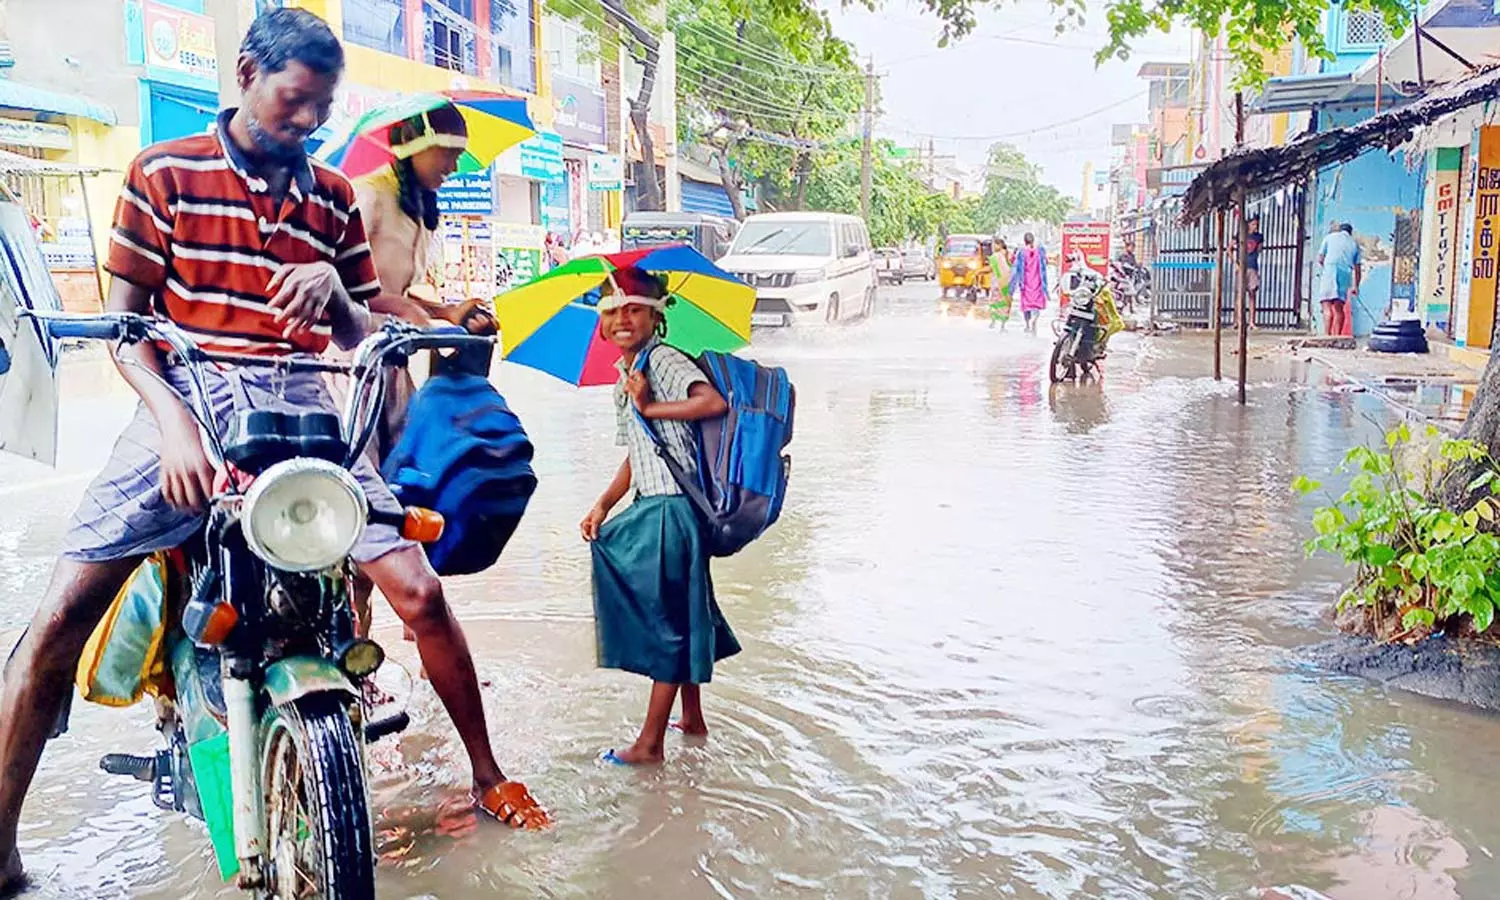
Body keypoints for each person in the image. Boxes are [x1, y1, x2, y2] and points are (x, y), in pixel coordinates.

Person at [0, 16, 546, 888]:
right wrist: (174, 422)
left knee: (420, 590)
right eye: (294, 103)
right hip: (183, 401)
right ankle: (1, 844)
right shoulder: (160, 173)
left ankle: (487, 773)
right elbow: (128, 330)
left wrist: (335, 290)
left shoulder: (333, 196)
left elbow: (363, 329)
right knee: (61, 615)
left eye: (320, 112)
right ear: (249, 74)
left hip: (302, 409)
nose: (305, 124)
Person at [330, 100, 495, 640]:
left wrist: (448, 312)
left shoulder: (420, 207)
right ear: (413, 146)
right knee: (361, 497)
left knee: (412, 481)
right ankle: (359, 627)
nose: (453, 167)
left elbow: (400, 292)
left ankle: (407, 605)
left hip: (393, 362)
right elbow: (343, 286)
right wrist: (401, 309)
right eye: (447, 155)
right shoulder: (367, 195)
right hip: (350, 366)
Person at [580, 267, 740, 766]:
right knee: (684, 612)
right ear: (602, 325)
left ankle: (650, 744)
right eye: (612, 311)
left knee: (665, 621)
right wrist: (603, 503)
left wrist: (648, 406)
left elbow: (711, 402)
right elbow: (638, 453)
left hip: (671, 507)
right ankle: (691, 717)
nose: (622, 318)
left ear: (655, 316)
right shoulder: (628, 378)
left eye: (634, 309)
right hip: (658, 504)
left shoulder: (664, 361)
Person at [1317, 222, 1361, 337]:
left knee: (1326, 308)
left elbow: (1320, 258)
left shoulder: (1329, 238)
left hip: (1329, 273)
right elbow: (1357, 269)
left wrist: (1326, 267)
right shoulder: (1354, 244)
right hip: (1344, 275)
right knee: (1338, 308)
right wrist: (1356, 286)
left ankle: (1327, 336)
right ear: (1350, 233)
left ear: (1340, 230)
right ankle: (1337, 337)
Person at [1010, 232, 1050, 334]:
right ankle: (1034, 321)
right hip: (1038, 283)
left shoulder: (1021, 252)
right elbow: (1046, 263)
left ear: (1025, 241)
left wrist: (1011, 287)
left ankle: (1027, 324)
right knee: (1036, 305)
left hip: (1026, 283)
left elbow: (1016, 269)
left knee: (1027, 306)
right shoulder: (1040, 251)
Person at [988, 237, 1015, 329]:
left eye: (994, 244)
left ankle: (993, 322)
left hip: (998, 281)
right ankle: (1002, 325)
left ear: (999, 245)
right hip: (1006, 281)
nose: (993, 247)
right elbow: (1010, 266)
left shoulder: (996, 256)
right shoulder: (1007, 254)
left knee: (995, 300)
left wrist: (977, 272)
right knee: (1005, 302)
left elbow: (990, 269)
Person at [1243, 223, 1262, 329]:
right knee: (1239, 296)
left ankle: (1251, 322)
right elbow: (1229, 248)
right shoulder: (1241, 234)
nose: (1255, 226)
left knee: (1252, 294)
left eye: (1256, 224)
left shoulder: (1258, 237)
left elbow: (1259, 250)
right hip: (1242, 267)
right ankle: (1238, 321)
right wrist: (1236, 264)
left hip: (1253, 266)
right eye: (1253, 224)